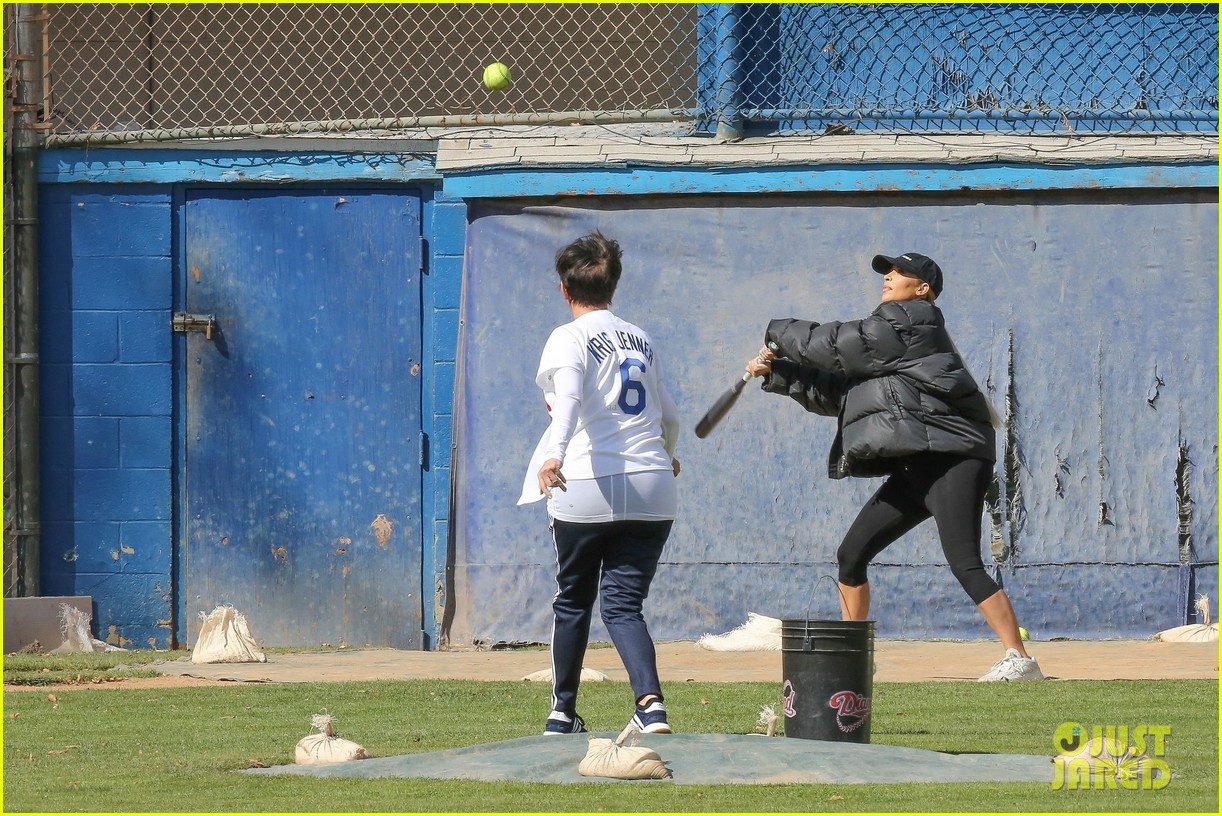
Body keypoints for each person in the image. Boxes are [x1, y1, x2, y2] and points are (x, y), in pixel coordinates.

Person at [745, 251, 1043, 682]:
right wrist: (779, 373)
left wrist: (777, 334)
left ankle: (1019, 658)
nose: (889, 276)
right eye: (887, 271)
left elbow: (832, 345)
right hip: (918, 462)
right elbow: (841, 393)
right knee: (851, 554)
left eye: (900, 272)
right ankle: (853, 658)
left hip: (954, 457)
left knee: (964, 562)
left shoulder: (912, 321)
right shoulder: (886, 343)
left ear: (922, 289)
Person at [519, 231, 682, 735]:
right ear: (614, 285)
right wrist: (667, 456)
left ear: (565, 290)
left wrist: (553, 455)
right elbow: (669, 415)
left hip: (587, 480)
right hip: (653, 483)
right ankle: (650, 705)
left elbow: (567, 402)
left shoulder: (567, 336)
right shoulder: (641, 337)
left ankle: (561, 712)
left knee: (573, 600)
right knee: (623, 604)